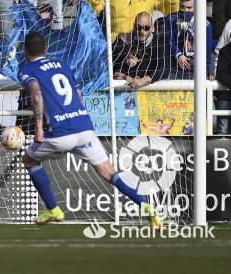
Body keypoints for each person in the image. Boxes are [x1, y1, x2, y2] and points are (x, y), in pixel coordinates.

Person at [18, 32, 162, 229]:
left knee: (29, 160)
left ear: (25, 52)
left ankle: (53, 208)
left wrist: (39, 129)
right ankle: (144, 204)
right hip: (84, 126)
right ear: (46, 50)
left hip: (60, 132)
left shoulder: (27, 70)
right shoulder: (62, 65)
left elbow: (35, 96)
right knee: (109, 172)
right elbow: (78, 94)